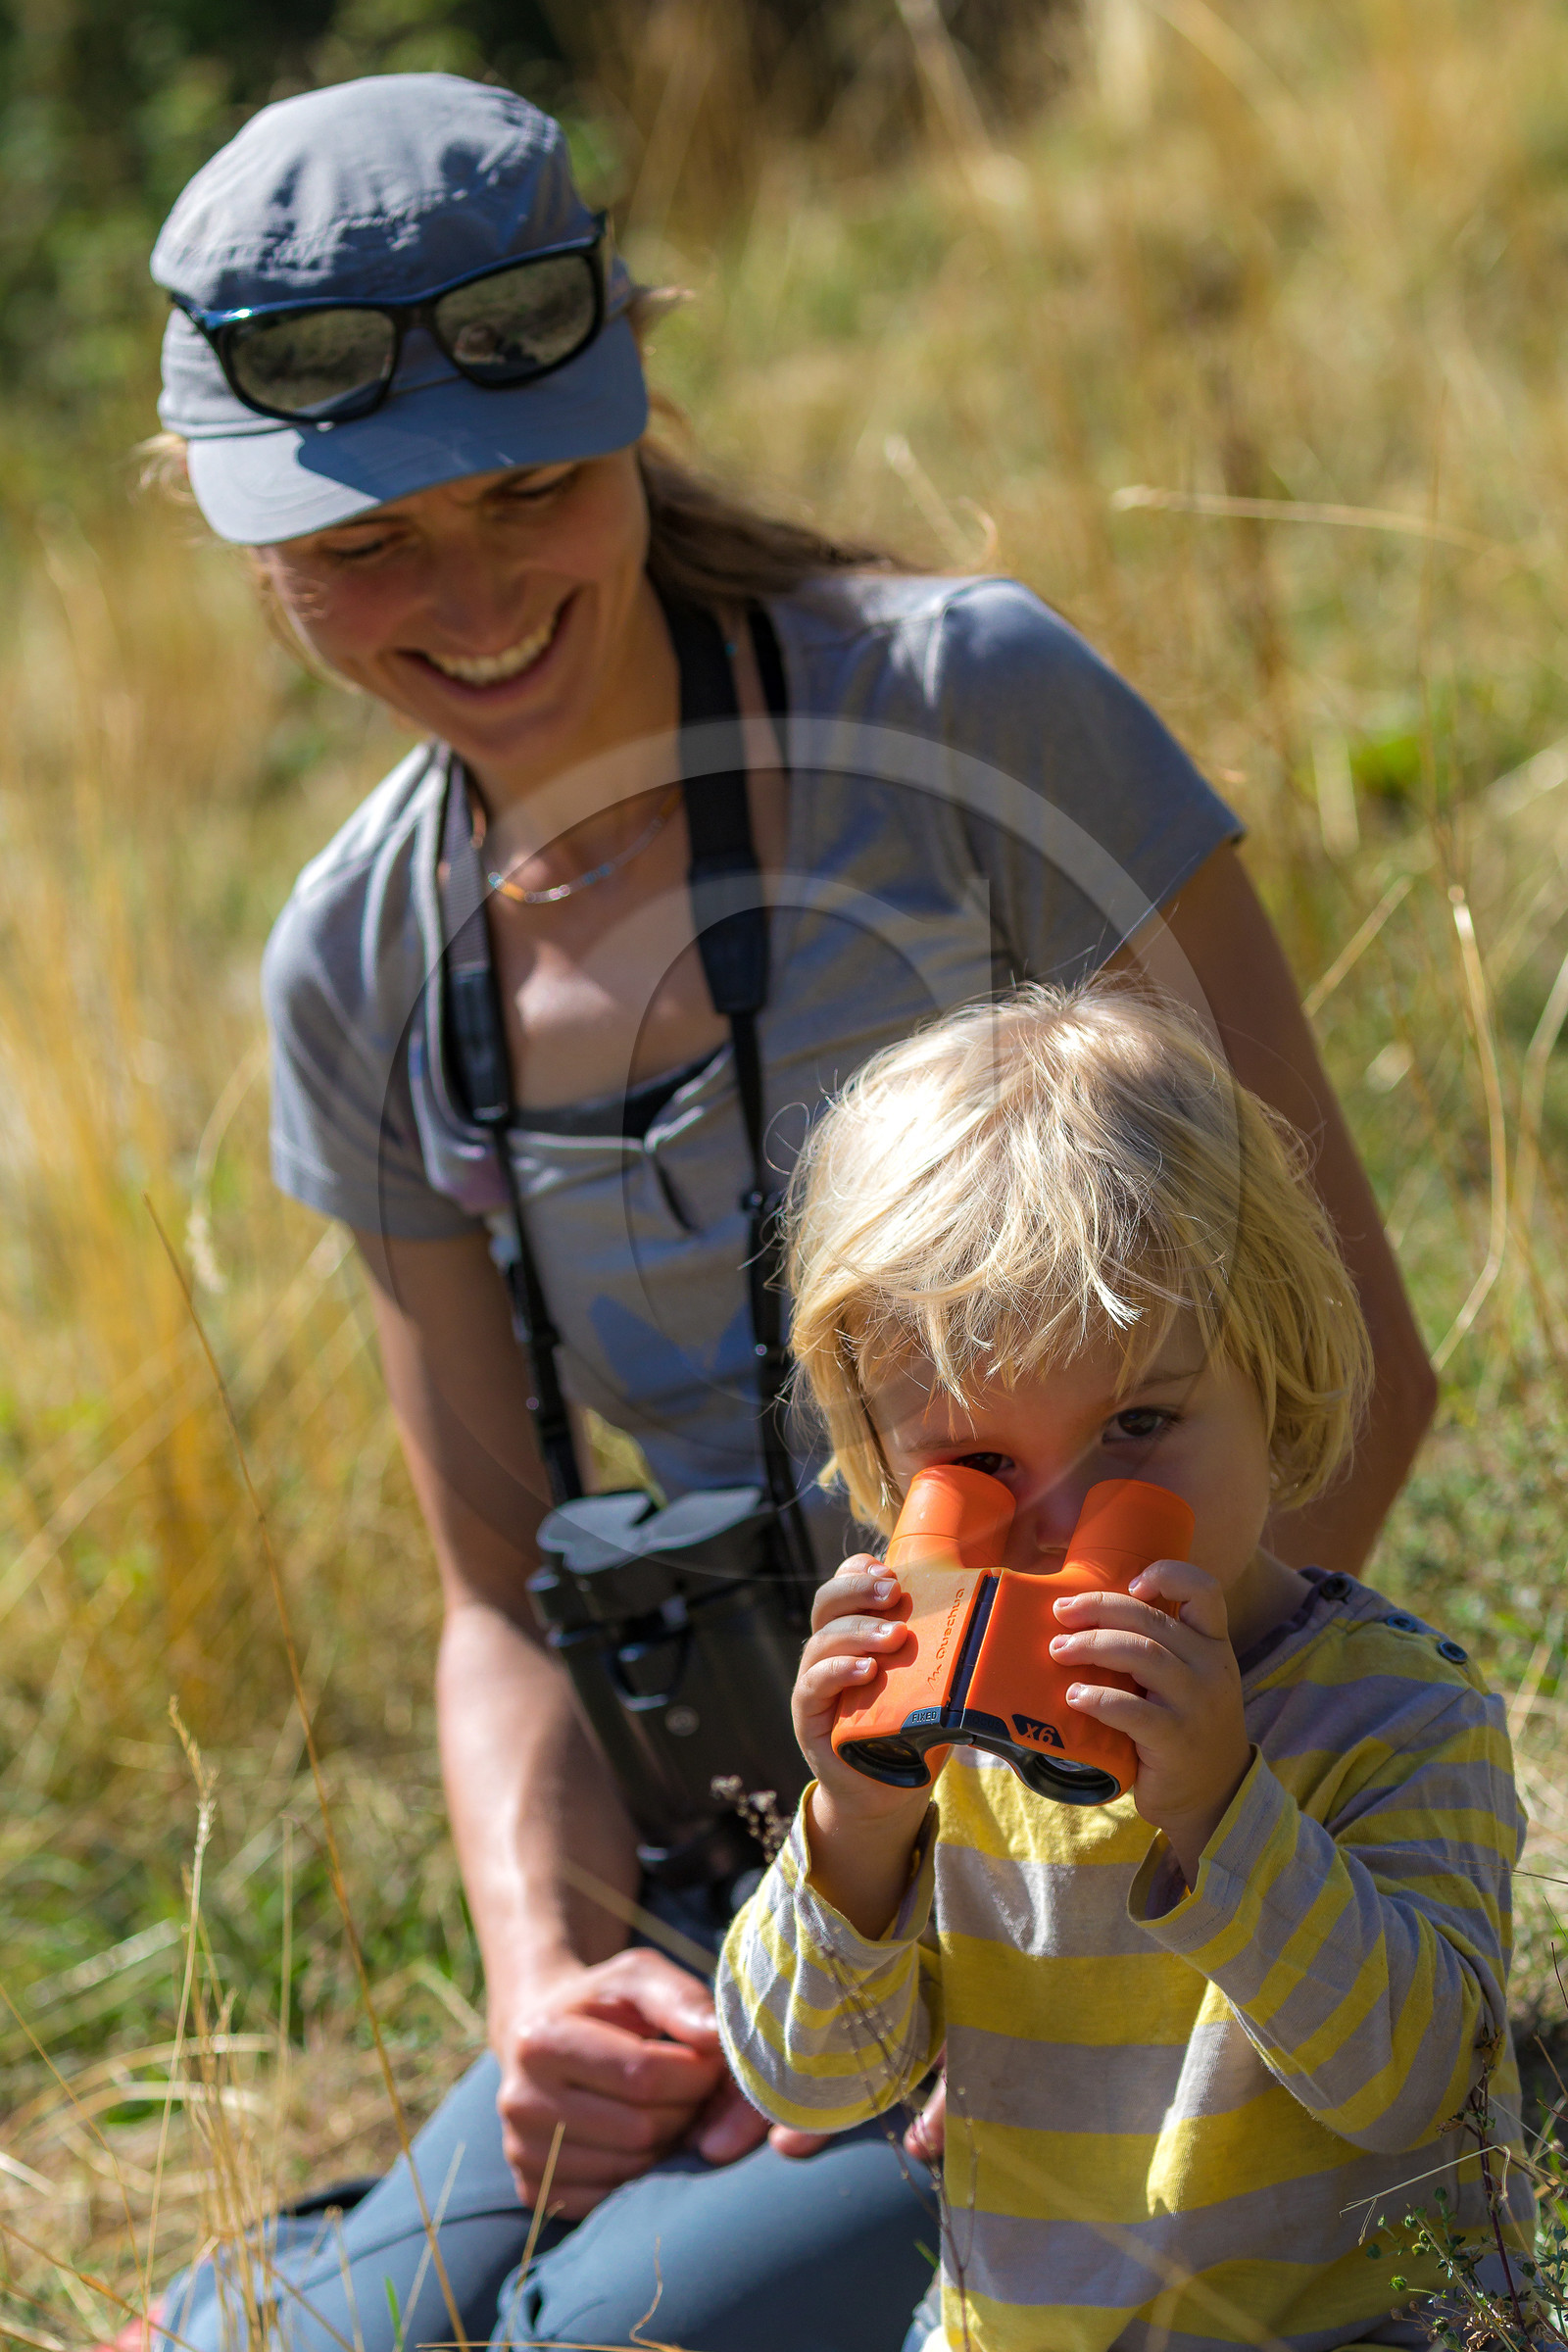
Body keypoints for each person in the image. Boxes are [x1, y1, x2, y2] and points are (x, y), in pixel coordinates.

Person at [143, 66, 1437, 2352]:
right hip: (742, 1853)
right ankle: (309, 2266)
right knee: (338, 2344)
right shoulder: (355, 961)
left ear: (635, 382)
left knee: (600, 2343)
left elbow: (1347, 1367)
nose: (464, 597)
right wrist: (542, 1979)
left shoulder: (971, 710)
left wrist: (1067, 1893)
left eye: (530, 486)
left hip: (1098, 1813)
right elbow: (492, 1600)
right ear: (237, 539)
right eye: (358, 545)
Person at [717, 975, 1529, 2352]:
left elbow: (1408, 2085)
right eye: (975, 1469)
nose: (1059, 1521)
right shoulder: (951, 1757)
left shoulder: (1394, 1717)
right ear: (880, 1463)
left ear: (1272, 1371)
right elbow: (809, 2080)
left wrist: (1222, 1808)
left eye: (1141, 1425)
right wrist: (855, 1829)